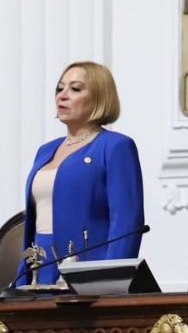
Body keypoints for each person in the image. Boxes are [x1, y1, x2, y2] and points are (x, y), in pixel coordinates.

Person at [18, 62, 144, 285]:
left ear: (99, 96)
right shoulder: (45, 150)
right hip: (40, 265)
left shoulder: (114, 146)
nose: (62, 96)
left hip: (86, 271)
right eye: (59, 89)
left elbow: (126, 222)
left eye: (75, 89)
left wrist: (110, 281)